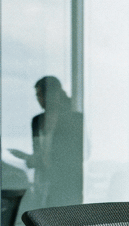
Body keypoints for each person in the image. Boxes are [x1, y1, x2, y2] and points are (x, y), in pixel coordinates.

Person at [9, 76, 83, 208]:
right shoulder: (37, 120)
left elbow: (77, 154)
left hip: (66, 183)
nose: (39, 99)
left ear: (54, 94)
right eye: (37, 95)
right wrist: (30, 159)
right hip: (42, 181)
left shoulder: (74, 119)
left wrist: (37, 160)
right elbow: (38, 153)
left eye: (41, 94)